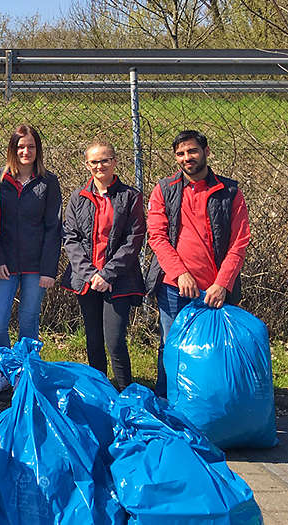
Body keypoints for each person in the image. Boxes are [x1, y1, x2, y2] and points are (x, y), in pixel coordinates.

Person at [147, 129, 250, 396]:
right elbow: (157, 237)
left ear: (206, 152)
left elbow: (239, 242)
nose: (186, 158)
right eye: (180, 154)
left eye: (192, 151)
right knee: (172, 347)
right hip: (174, 287)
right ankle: (168, 406)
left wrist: (222, 284)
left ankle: (214, 410)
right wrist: (180, 273)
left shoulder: (229, 192)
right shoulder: (164, 190)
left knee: (216, 351)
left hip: (215, 291)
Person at [61, 140, 145, 390]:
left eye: (105, 160)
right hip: (87, 281)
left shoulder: (130, 197)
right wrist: (90, 274)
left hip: (119, 280)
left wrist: (107, 274)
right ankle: (100, 390)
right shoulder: (78, 197)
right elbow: (71, 238)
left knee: (115, 340)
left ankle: (126, 392)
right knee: (93, 340)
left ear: (115, 161)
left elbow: (133, 240)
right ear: (87, 164)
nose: (100, 166)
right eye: (94, 162)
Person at [0, 124, 62, 395]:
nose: (26, 151)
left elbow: (54, 228)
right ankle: (6, 371)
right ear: (12, 150)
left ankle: (27, 376)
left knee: (28, 322)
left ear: (38, 149)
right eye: (20, 146)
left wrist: (48, 269)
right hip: (4, 264)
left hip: (35, 266)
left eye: (31, 146)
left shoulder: (48, 182)